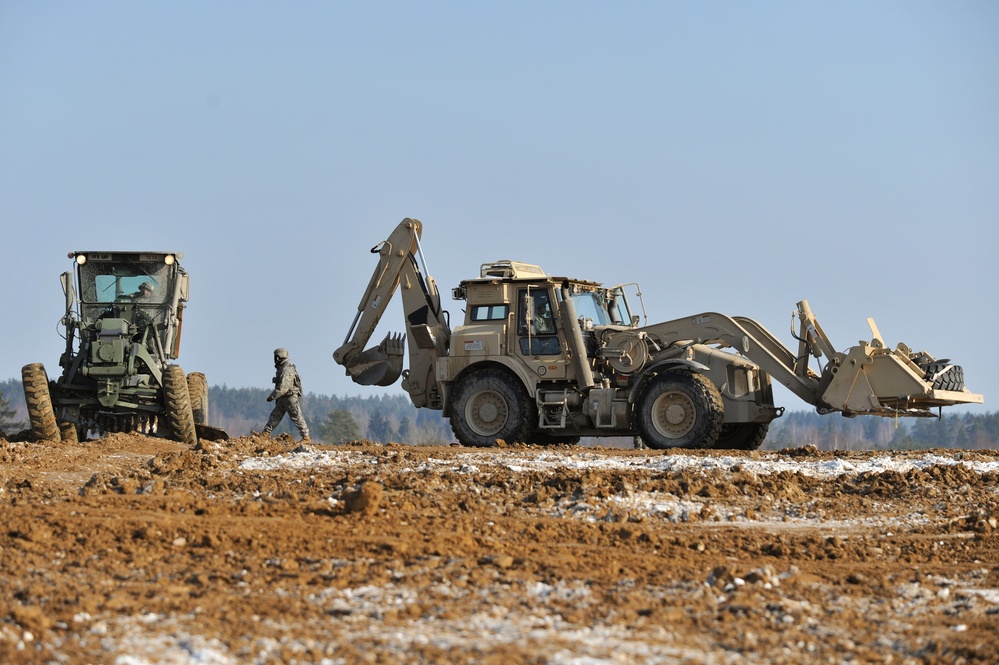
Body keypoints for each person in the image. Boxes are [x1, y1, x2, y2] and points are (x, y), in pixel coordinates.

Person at [261, 348, 310, 441]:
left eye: (275, 357)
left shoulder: (287, 369)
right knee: (275, 415)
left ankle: (306, 437)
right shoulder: (283, 368)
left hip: (290, 397)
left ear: (279, 357)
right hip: (284, 397)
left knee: (296, 416)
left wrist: (273, 396)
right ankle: (265, 433)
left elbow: (284, 387)